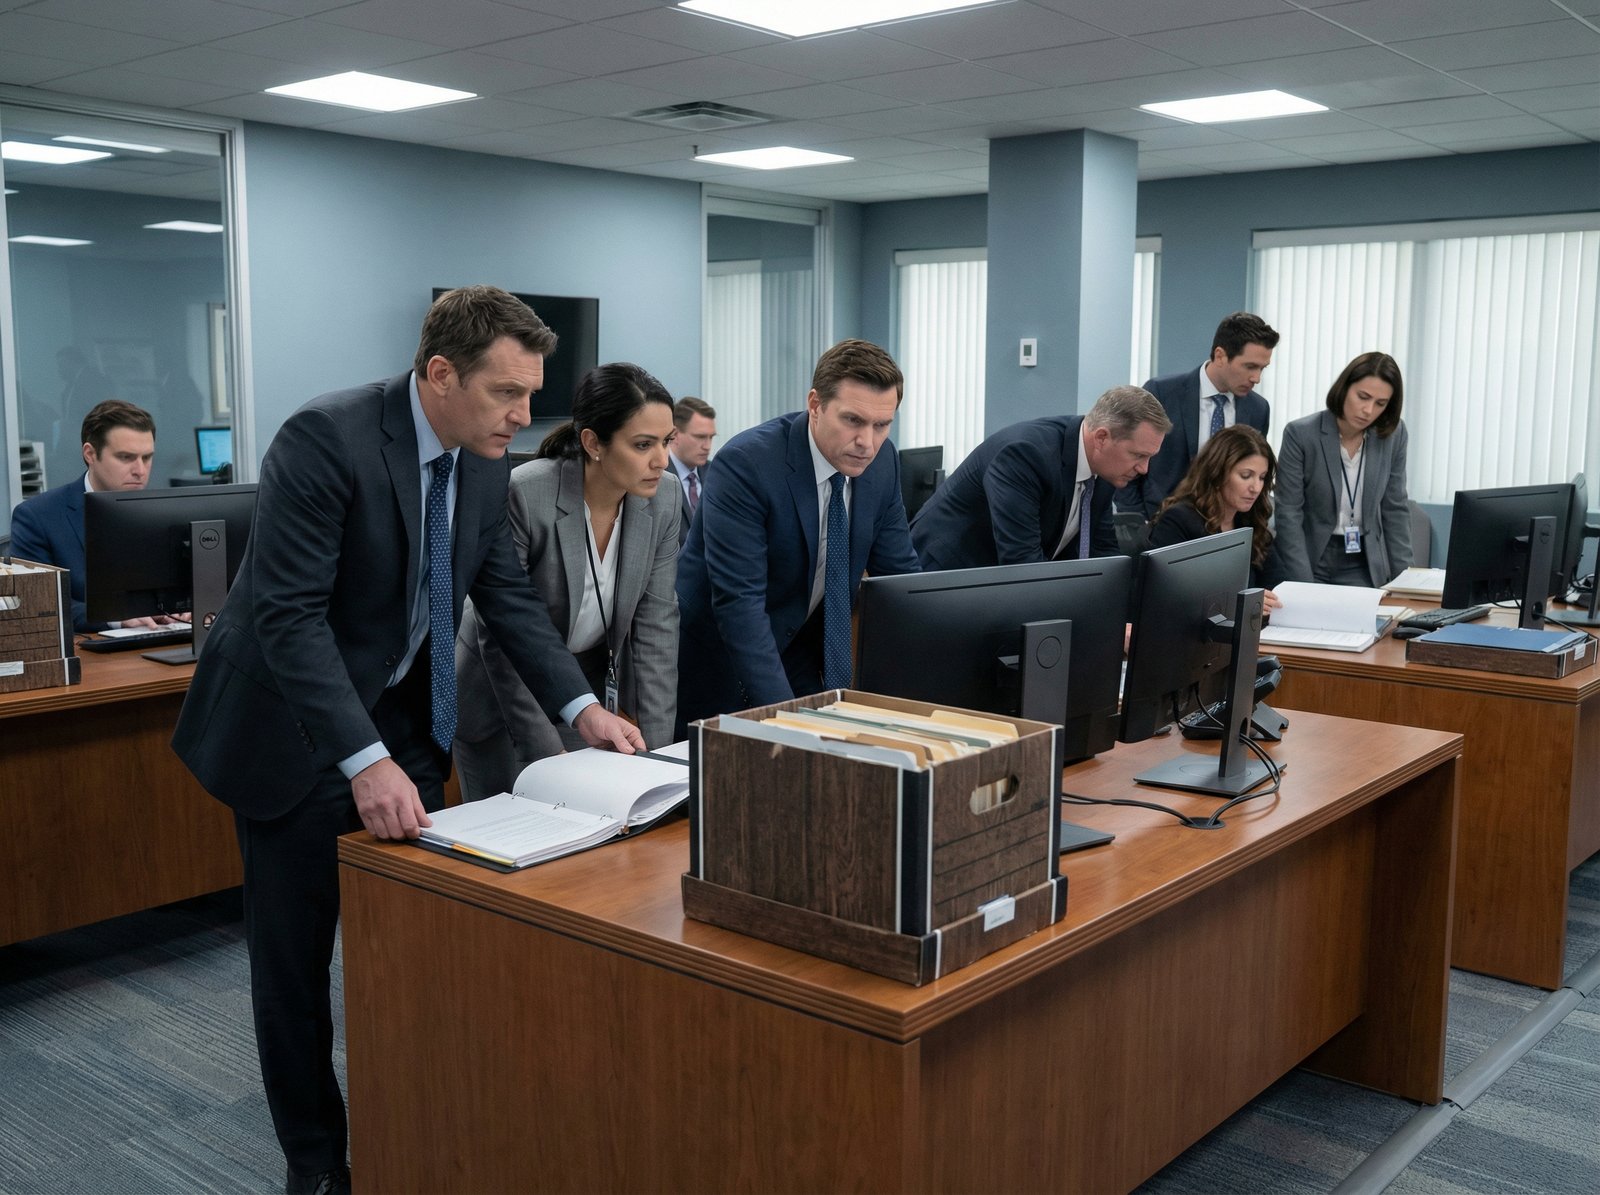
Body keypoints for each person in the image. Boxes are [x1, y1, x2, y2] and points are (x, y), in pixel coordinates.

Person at [170, 286, 643, 1195]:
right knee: (296, 964)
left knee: (410, 944)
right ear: (439, 374)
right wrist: (365, 759)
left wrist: (582, 709)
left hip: (403, 722)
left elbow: (502, 594)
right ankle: (315, 1166)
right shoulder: (327, 437)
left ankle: (410, 1133)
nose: (525, 414)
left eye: (532, 391)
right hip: (295, 726)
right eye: (506, 392)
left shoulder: (482, 455)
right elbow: (290, 617)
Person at [454, 363, 682, 801]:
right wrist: (549, 756)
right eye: (643, 444)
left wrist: (660, 760)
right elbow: (503, 637)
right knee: (508, 841)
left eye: (667, 441)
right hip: (498, 699)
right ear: (593, 443)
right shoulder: (526, 492)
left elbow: (658, 627)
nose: (662, 460)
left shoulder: (665, 499)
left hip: (584, 696)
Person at [675, 339, 920, 732]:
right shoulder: (747, 465)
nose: (867, 442)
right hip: (716, 658)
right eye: (853, 420)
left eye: (882, 425)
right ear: (815, 405)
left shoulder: (883, 462)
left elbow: (900, 575)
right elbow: (740, 605)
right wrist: (789, 726)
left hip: (799, 648)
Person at [910, 386, 1171, 572]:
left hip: (999, 580)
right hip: (946, 571)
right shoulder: (1026, 455)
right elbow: (1023, 563)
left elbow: (1101, 552)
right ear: (1102, 438)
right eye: (1138, 455)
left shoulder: (1105, 468)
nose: (1144, 469)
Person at [9, 398, 168, 632]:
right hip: (92, 653)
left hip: (162, 638)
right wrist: (119, 617)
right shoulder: (38, 517)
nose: (140, 471)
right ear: (90, 454)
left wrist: (188, 605)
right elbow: (38, 605)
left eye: (147, 457)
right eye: (126, 457)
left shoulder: (163, 514)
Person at [1274, 351, 1413, 587]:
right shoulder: (1301, 435)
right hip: (1310, 556)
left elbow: (1395, 508)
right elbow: (1288, 513)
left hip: (1361, 560)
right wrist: (1302, 585)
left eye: (1380, 403)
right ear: (1344, 388)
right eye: (1363, 397)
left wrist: (1408, 583)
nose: (1368, 410)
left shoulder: (1393, 435)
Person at [1131, 312, 1279, 518]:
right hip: (1160, 523)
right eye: (1250, 366)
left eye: (1262, 368)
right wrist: (1136, 521)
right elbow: (1130, 460)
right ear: (1220, 356)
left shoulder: (1258, 409)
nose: (1256, 378)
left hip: (1222, 528)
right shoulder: (1161, 393)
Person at [1147, 424, 1286, 606]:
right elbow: (1169, 597)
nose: (1256, 488)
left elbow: (1278, 586)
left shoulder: (1251, 522)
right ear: (1217, 473)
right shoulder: (1178, 520)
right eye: (1245, 476)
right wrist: (1247, 604)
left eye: (1262, 477)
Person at [667, 395, 716, 546]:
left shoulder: (717, 474)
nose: (707, 446)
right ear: (675, 435)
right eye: (700, 437)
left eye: (711, 437)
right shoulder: (656, 476)